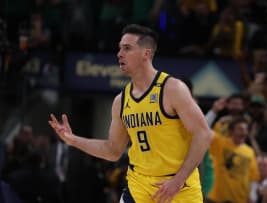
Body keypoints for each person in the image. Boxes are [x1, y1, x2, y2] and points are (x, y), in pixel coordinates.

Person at [48, 24, 213, 203]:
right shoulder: (121, 100)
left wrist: (178, 180)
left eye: (127, 48)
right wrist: (73, 140)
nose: (119, 54)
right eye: (119, 48)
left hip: (177, 187)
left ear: (146, 54)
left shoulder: (172, 89)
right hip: (138, 186)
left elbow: (203, 134)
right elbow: (113, 151)